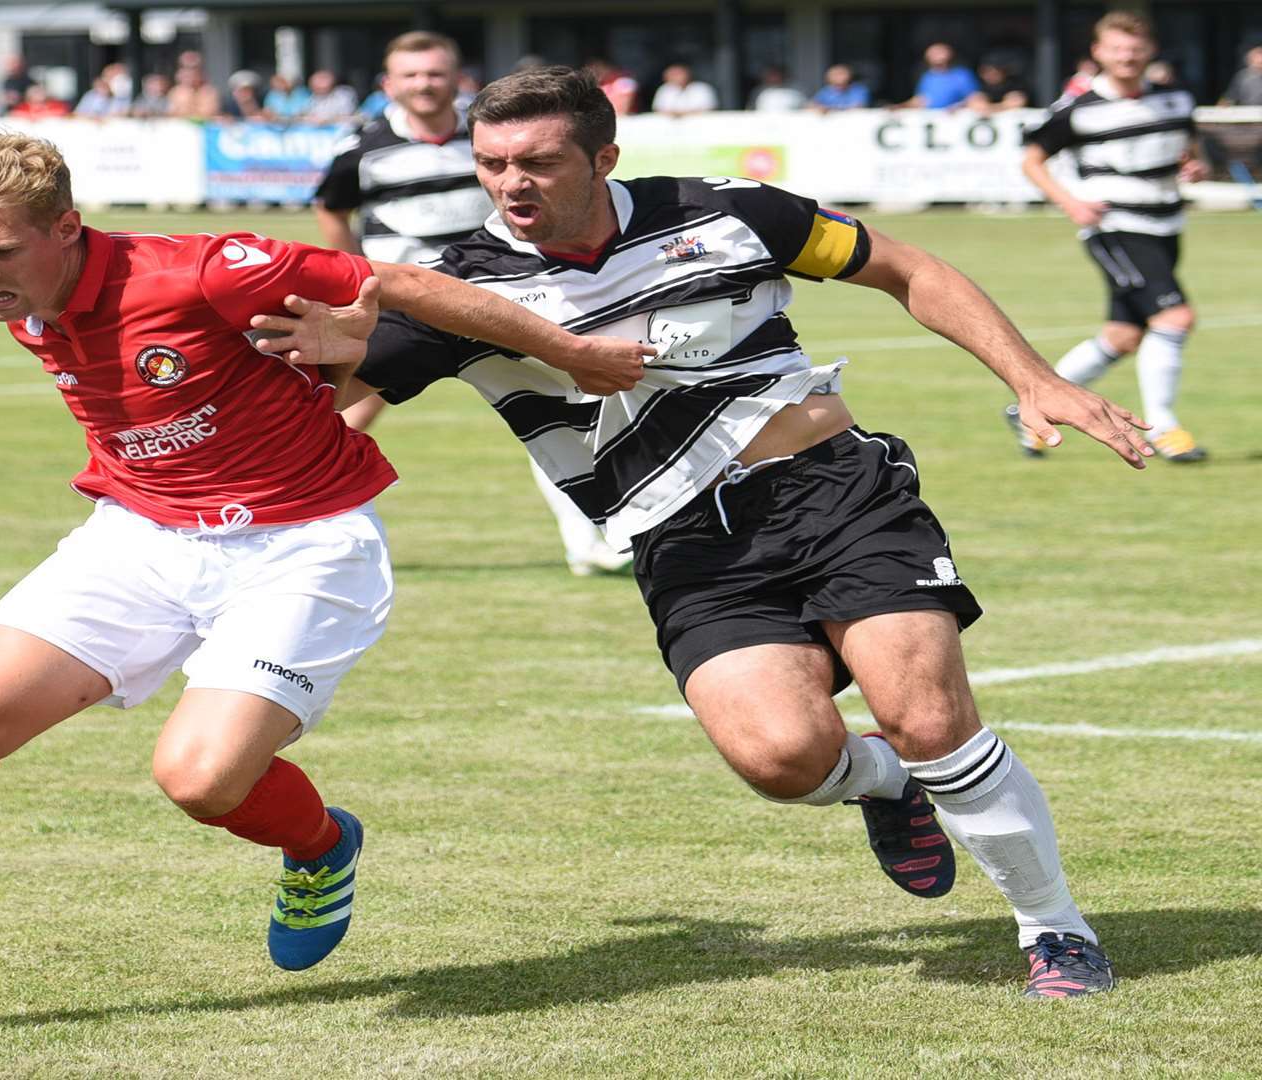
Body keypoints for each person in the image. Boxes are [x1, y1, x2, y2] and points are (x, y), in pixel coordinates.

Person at [0, 130, 647, 1025]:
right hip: (139, 536)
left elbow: (399, 279)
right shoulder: (32, 298)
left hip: (300, 545)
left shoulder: (203, 269)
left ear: (67, 228)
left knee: (199, 779)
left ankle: (321, 847)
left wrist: (567, 352)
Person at [254, 65, 1153, 1000]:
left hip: (833, 491)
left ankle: (1055, 931)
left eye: (539, 161)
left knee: (926, 714)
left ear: (604, 155)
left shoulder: (729, 212)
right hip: (687, 545)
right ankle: (889, 784)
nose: (512, 183)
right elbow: (331, 397)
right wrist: (306, 364)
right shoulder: (459, 291)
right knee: (783, 760)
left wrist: (1033, 377)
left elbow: (907, 268)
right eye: (491, 164)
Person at [314, 32, 628, 577]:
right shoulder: (360, 149)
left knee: (560, 411)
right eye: (411, 75)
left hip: (503, 297)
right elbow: (331, 209)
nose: (423, 85)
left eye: (434, 73)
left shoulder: (492, 135)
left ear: (455, 78)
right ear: (389, 84)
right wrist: (352, 281)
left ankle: (593, 542)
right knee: (339, 410)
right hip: (408, 309)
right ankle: (293, 519)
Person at [1020, 11, 1209, 463]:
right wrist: (1070, 202)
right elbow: (1031, 160)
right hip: (1116, 227)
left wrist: (1193, 165)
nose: (1128, 56)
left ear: (1150, 52)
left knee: (1124, 336)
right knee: (1174, 318)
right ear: (1099, 52)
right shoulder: (1081, 109)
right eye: (1118, 48)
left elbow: (1189, 145)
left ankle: (1026, 410)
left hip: (1166, 225)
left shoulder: (1176, 98)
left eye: (1136, 48)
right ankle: (1163, 428)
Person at [903, 43, 979, 110]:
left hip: (955, 118)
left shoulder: (961, 75)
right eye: (933, 54)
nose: (937, 57)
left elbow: (975, 98)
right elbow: (921, 99)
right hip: (931, 118)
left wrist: (959, 106)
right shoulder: (927, 77)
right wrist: (900, 107)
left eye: (939, 53)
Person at [651, 63, 717, 116]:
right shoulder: (664, 89)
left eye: (678, 74)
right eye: (672, 75)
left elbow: (709, 108)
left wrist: (682, 114)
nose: (676, 78)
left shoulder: (701, 88)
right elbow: (658, 109)